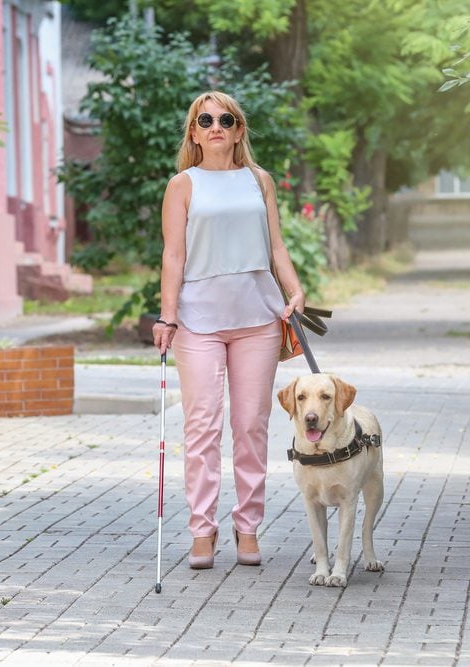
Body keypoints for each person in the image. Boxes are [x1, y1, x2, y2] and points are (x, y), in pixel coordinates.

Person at [153, 91, 306, 569]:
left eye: (226, 119)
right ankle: (203, 530)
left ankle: (247, 527)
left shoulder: (259, 181)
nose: (215, 125)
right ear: (194, 133)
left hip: (258, 318)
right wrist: (166, 314)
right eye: (205, 119)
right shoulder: (183, 184)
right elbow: (173, 255)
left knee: (251, 426)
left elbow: (276, 246)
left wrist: (295, 291)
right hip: (197, 321)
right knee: (201, 425)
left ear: (239, 130)